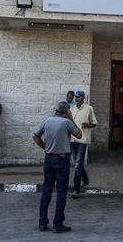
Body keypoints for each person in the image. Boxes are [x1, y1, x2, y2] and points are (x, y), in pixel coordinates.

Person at [33, 101, 82, 233]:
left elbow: (35, 136)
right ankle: (58, 223)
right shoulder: (67, 123)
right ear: (66, 112)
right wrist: (71, 118)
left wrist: (45, 148)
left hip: (49, 158)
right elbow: (79, 134)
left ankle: (42, 222)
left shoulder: (47, 121)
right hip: (62, 159)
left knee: (46, 190)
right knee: (61, 192)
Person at [69, 90, 97, 199]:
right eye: (75, 97)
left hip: (83, 140)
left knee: (77, 165)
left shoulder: (89, 109)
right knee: (77, 163)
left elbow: (94, 124)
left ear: (83, 98)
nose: (76, 99)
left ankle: (76, 190)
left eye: (78, 97)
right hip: (72, 140)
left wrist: (87, 125)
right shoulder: (72, 109)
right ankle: (85, 178)